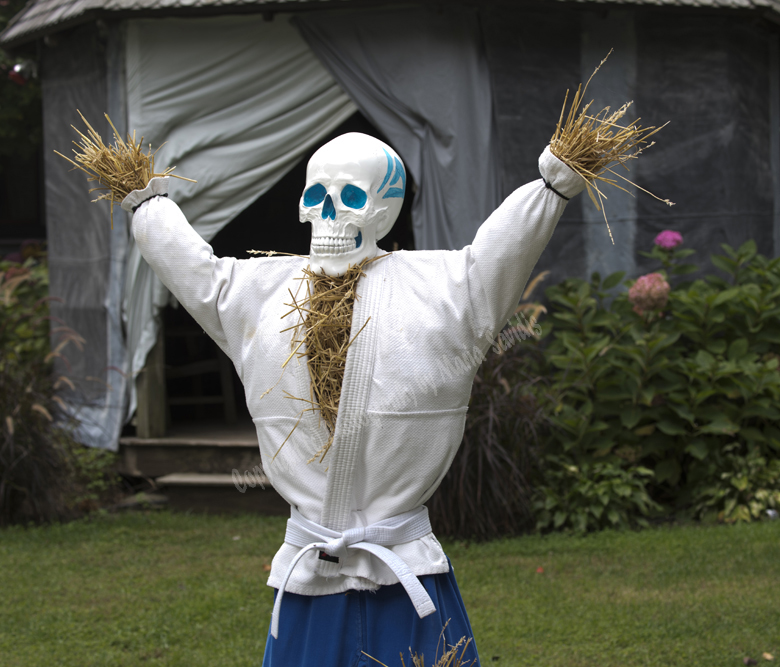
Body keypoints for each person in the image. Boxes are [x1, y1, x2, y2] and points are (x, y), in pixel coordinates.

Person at [123, 132, 585, 666]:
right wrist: (146, 203)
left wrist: (550, 188)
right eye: (316, 197)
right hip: (313, 569)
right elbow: (195, 272)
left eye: (351, 198)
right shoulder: (262, 297)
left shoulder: (445, 293)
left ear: (386, 211)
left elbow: (502, 250)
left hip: (402, 569)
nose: (329, 214)